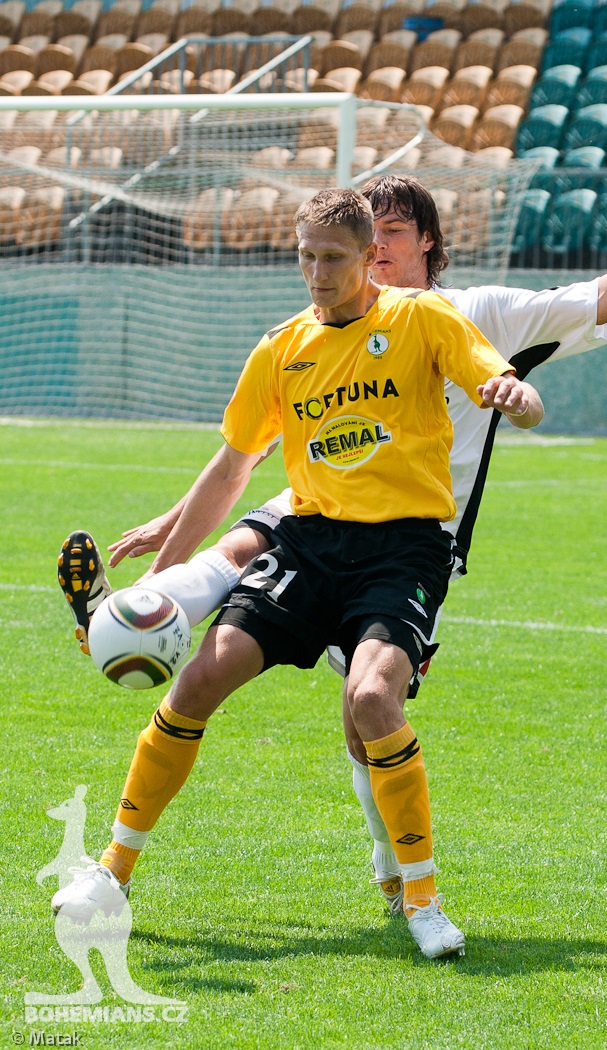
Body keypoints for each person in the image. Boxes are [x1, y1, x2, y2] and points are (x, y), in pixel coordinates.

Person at [59, 173, 607, 919]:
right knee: (236, 555)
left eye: (390, 231)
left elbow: (597, 296)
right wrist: (171, 532)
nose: (375, 247)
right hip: (318, 509)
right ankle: (126, 618)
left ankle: (392, 864)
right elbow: (244, 456)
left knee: (366, 707)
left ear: (423, 241)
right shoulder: (312, 331)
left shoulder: (477, 312)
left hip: (413, 536)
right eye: (363, 233)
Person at [53, 187, 539, 960]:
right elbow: (230, 470)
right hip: (310, 545)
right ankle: (113, 871)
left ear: (367, 260)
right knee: (197, 683)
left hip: (404, 548)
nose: (317, 273)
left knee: (373, 696)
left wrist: (516, 394)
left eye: (334, 259)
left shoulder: (421, 318)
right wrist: (162, 572)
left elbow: (501, 380)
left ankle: (422, 899)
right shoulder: (281, 347)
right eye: (306, 257)